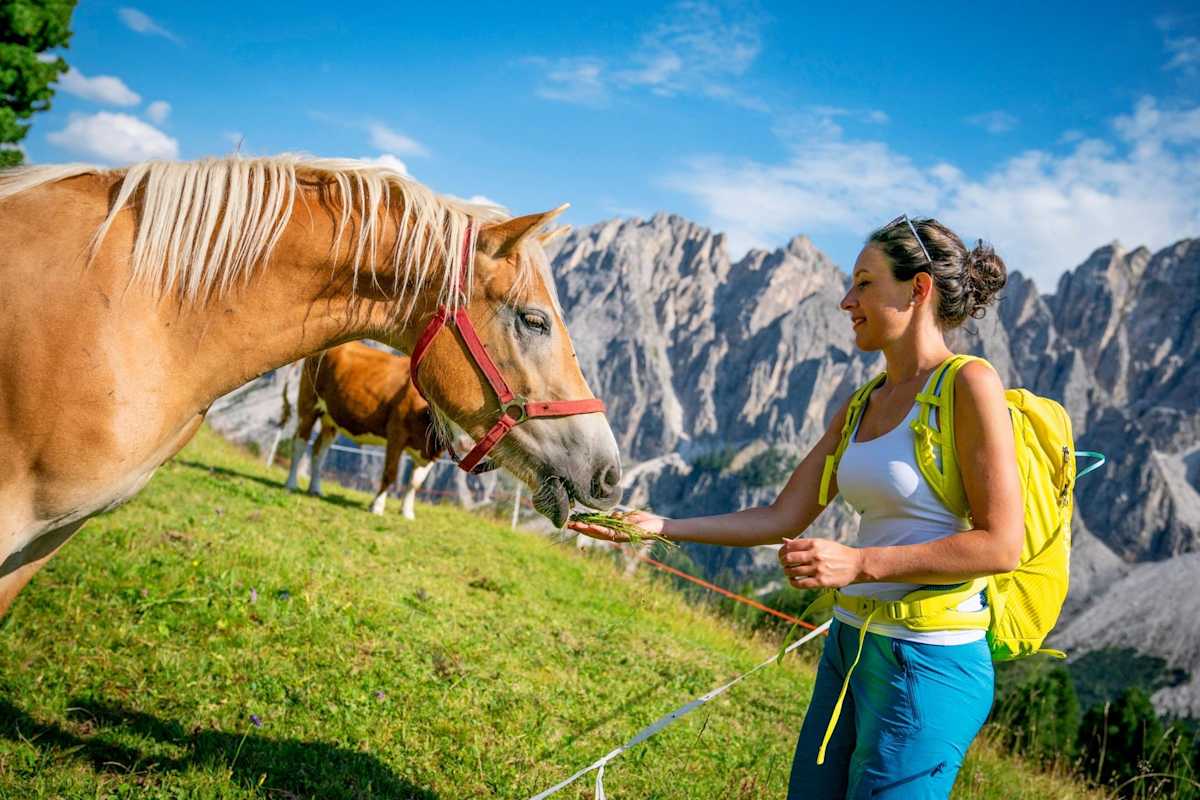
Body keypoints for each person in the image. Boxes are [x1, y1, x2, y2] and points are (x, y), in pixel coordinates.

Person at [568, 215, 1021, 799]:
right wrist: (660, 525)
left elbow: (1001, 545)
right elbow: (783, 516)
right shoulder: (864, 402)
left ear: (919, 288)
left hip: (930, 665)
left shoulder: (969, 384)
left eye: (864, 283)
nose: (845, 300)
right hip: (849, 647)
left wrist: (860, 565)